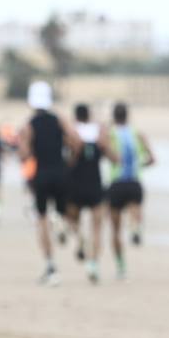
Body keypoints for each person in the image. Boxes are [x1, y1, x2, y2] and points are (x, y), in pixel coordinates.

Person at [18, 80, 77, 286]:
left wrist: (28, 154)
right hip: (60, 172)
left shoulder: (28, 125)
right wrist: (69, 160)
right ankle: (60, 221)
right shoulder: (60, 120)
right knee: (63, 210)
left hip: (41, 175)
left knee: (41, 220)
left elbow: (24, 155)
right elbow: (75, 141)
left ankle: (51, 268)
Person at [64, 103, 115, 284]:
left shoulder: (72, 132)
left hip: (75, 184)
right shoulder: (99, 132)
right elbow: (113, 157)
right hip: (95, 183)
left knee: (71, 218)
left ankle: (79, 240)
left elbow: (68, 158)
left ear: (76, 116)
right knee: (97, 228)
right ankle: (93, 264)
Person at [104, 101, 155, 280]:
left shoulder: (109, 134)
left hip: (116, 182)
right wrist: (139, 164)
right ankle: (135, 225)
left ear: (114, 116)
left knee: (115, 230)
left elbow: (106, 155)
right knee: (136, 208)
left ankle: (120, 266)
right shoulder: (138, 134)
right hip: (134, 181)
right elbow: (152, 159)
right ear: (128, 115)